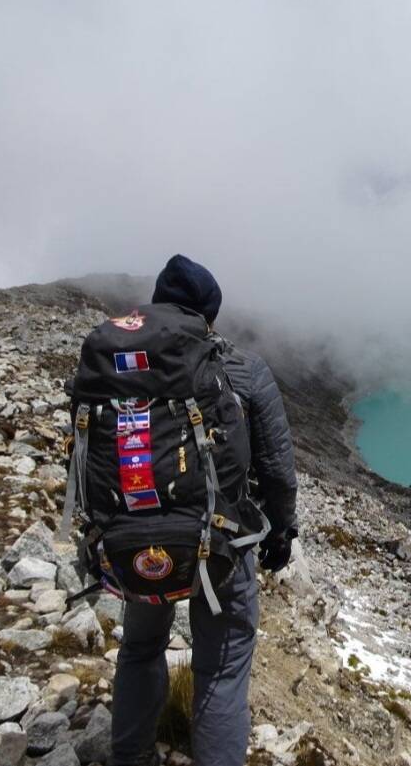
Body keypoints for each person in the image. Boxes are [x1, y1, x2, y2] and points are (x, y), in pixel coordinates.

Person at [110, 254, 298, 766]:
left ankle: (128, 755)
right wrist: (281, 533)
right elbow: (278, 470)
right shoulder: (242, 368)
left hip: (137, 538)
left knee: (140, 649)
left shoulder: (119, 366)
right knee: (221, 666)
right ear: (210, 314)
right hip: (220, 545)